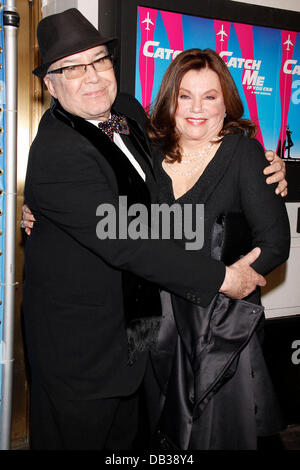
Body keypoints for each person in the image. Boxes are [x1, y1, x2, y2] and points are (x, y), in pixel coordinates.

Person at [21, 9, 287, 450]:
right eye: (71, 68)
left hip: (144, 338)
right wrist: (225, 278)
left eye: (99, 61)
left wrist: (270, 163)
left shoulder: (124, 112)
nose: (92, 77)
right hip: (83, 354)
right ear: (49, 84)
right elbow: (128, 242)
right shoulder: (57, 154)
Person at [144, 48, 290, 450]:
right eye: (185, 95)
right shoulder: (147, 156)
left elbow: (275, 243)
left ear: (226, 103)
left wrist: (231, 281)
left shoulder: (244, 154)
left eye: (209, 96)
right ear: (169, 100)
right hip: (154, 331)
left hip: (219, 333)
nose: (196, 108)